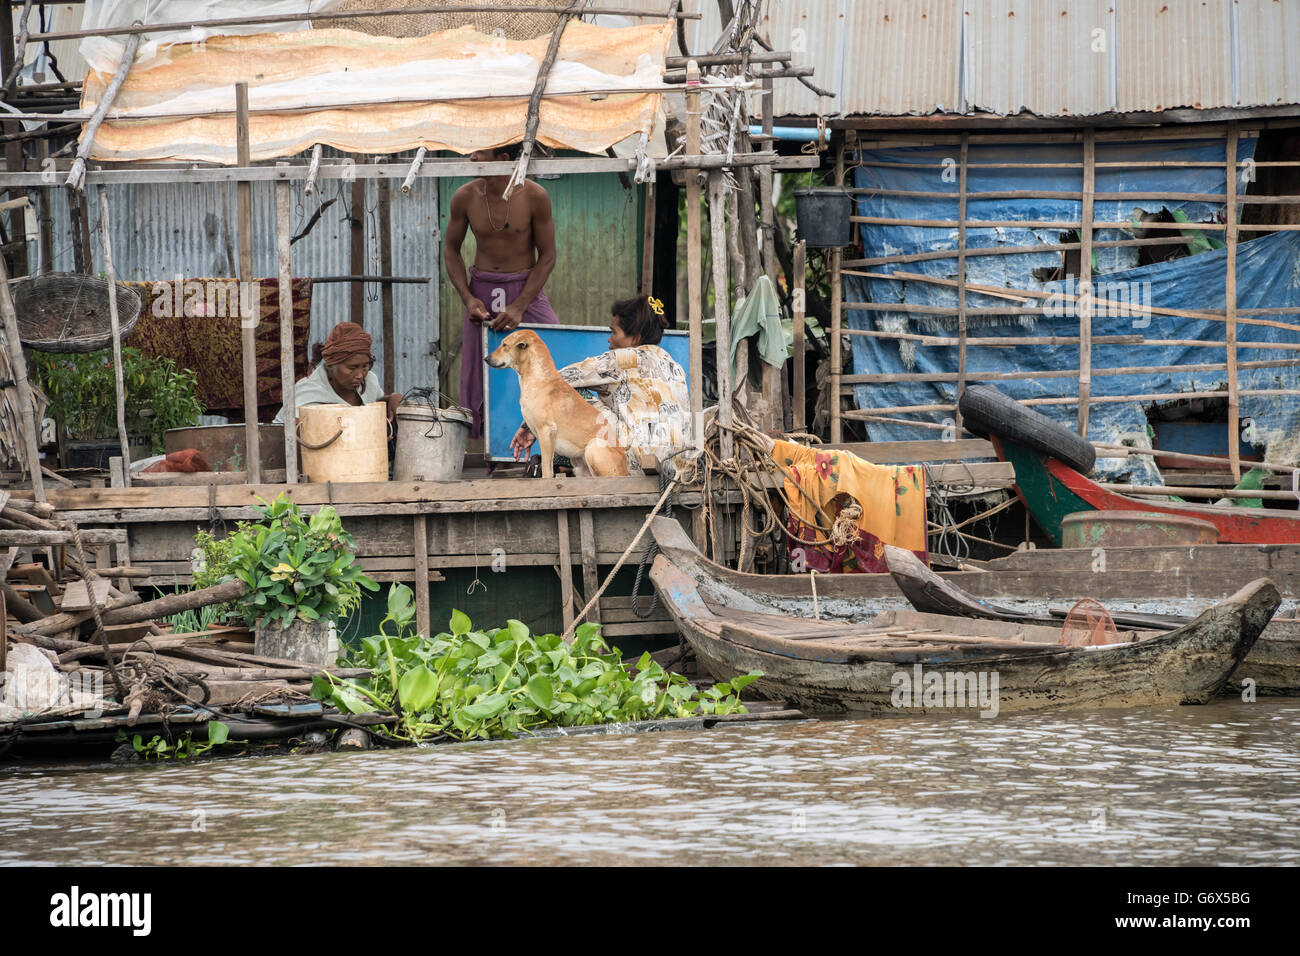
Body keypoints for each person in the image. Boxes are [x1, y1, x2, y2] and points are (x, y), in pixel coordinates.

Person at [445, 142, 559, 438]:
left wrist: (520, 305)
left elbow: (548, 256)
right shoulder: (465, 196)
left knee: (554, 351)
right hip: (481, 290)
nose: (471, 156)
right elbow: (450, 250)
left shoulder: (535, 196)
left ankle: (551, 437)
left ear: (504, 159)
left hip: (525, 288)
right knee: (478, 371)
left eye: (479, 152)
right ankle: (490, 455)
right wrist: (468, 299)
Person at [509, 295, 691, 476]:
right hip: (680, 469)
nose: (609, 340)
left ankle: (565, 467)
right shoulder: (673, 364)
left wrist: (529, 425)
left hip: (640, 465)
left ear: (635, 337)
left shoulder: (622, 359)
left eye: (614, 332)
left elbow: (553, 379)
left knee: (570, 392)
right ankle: (576, 466)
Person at [273, 322, 402, 424]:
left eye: (365, 366)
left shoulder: (370, 380)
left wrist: (392, 398)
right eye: (352, 368)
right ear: (330, 365)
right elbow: (288, 434)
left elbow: (376, 401)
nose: (360, 375)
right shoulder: (309, 390)